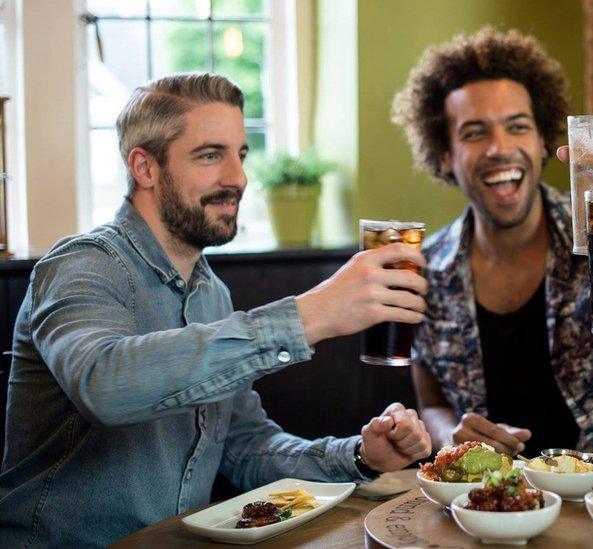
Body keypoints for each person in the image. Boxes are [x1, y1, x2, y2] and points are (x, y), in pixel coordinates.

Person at [0, 73, 432, 547]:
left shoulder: (211, 293)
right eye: (210, 155)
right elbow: (105, 385)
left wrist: (360, 456)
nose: (238, 179)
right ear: (144, 168)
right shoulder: (80, 266)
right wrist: (310, 314)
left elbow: (246, 446)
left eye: (240, 155)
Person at [392, 27, 593, 458]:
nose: (500, 148)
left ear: (541, 140)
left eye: (518, 126)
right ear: (443, 155)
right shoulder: (425, 269)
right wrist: (447, 433)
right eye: (475, 132)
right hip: (496, 503)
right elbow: (433, 402)